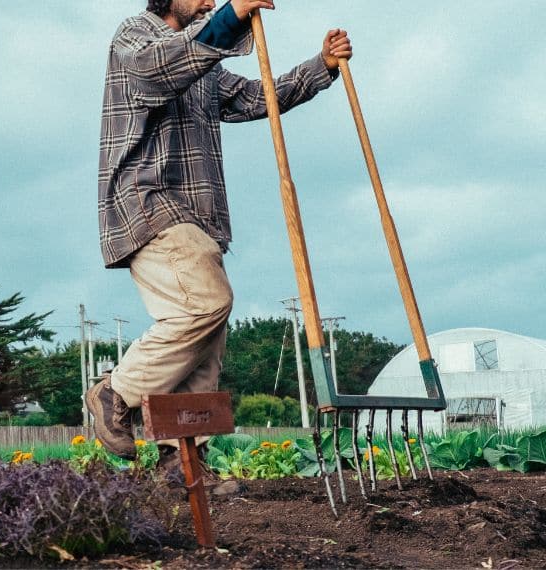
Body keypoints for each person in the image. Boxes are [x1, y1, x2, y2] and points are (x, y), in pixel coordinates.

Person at [88, 0, 352, 459]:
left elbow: (255, 97)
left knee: (203, 344)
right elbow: (157, 72)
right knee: (204, 305)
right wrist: (231, 15)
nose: (209, 3)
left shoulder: (205, 66)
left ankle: (182, 460)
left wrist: (321, 67)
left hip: (198, 215)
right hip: (151, 201)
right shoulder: (134, 36)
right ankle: (115, 392)